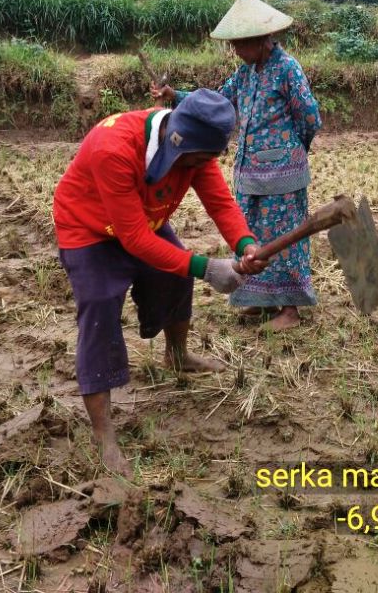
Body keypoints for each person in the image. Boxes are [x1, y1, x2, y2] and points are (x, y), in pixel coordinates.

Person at [53, 88, 268, 471]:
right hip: (88, 228)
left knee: (174, 277)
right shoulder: (113, 147)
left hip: (142, 221)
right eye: (190, 161)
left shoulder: (196, 146)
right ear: (174, 136)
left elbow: (219, 201)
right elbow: (134, 239)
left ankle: (177, 355)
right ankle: (104, 434)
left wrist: (245, 243)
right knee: (100, 309)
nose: (194, 167)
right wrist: (208, 269)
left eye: (202, 161)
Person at [152, 0, 322, 331]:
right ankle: (261, 302)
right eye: (234, 46)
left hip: (283, 174)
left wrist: (293, 149)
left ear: (261, 40)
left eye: (241, 45)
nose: (237, 52)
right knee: (252, 236)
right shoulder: (246, 74)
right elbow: (217, 101)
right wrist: (176, 97)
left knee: (285, 239)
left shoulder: (287, 69)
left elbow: (310, 117)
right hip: (249, 172)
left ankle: (290, 309)